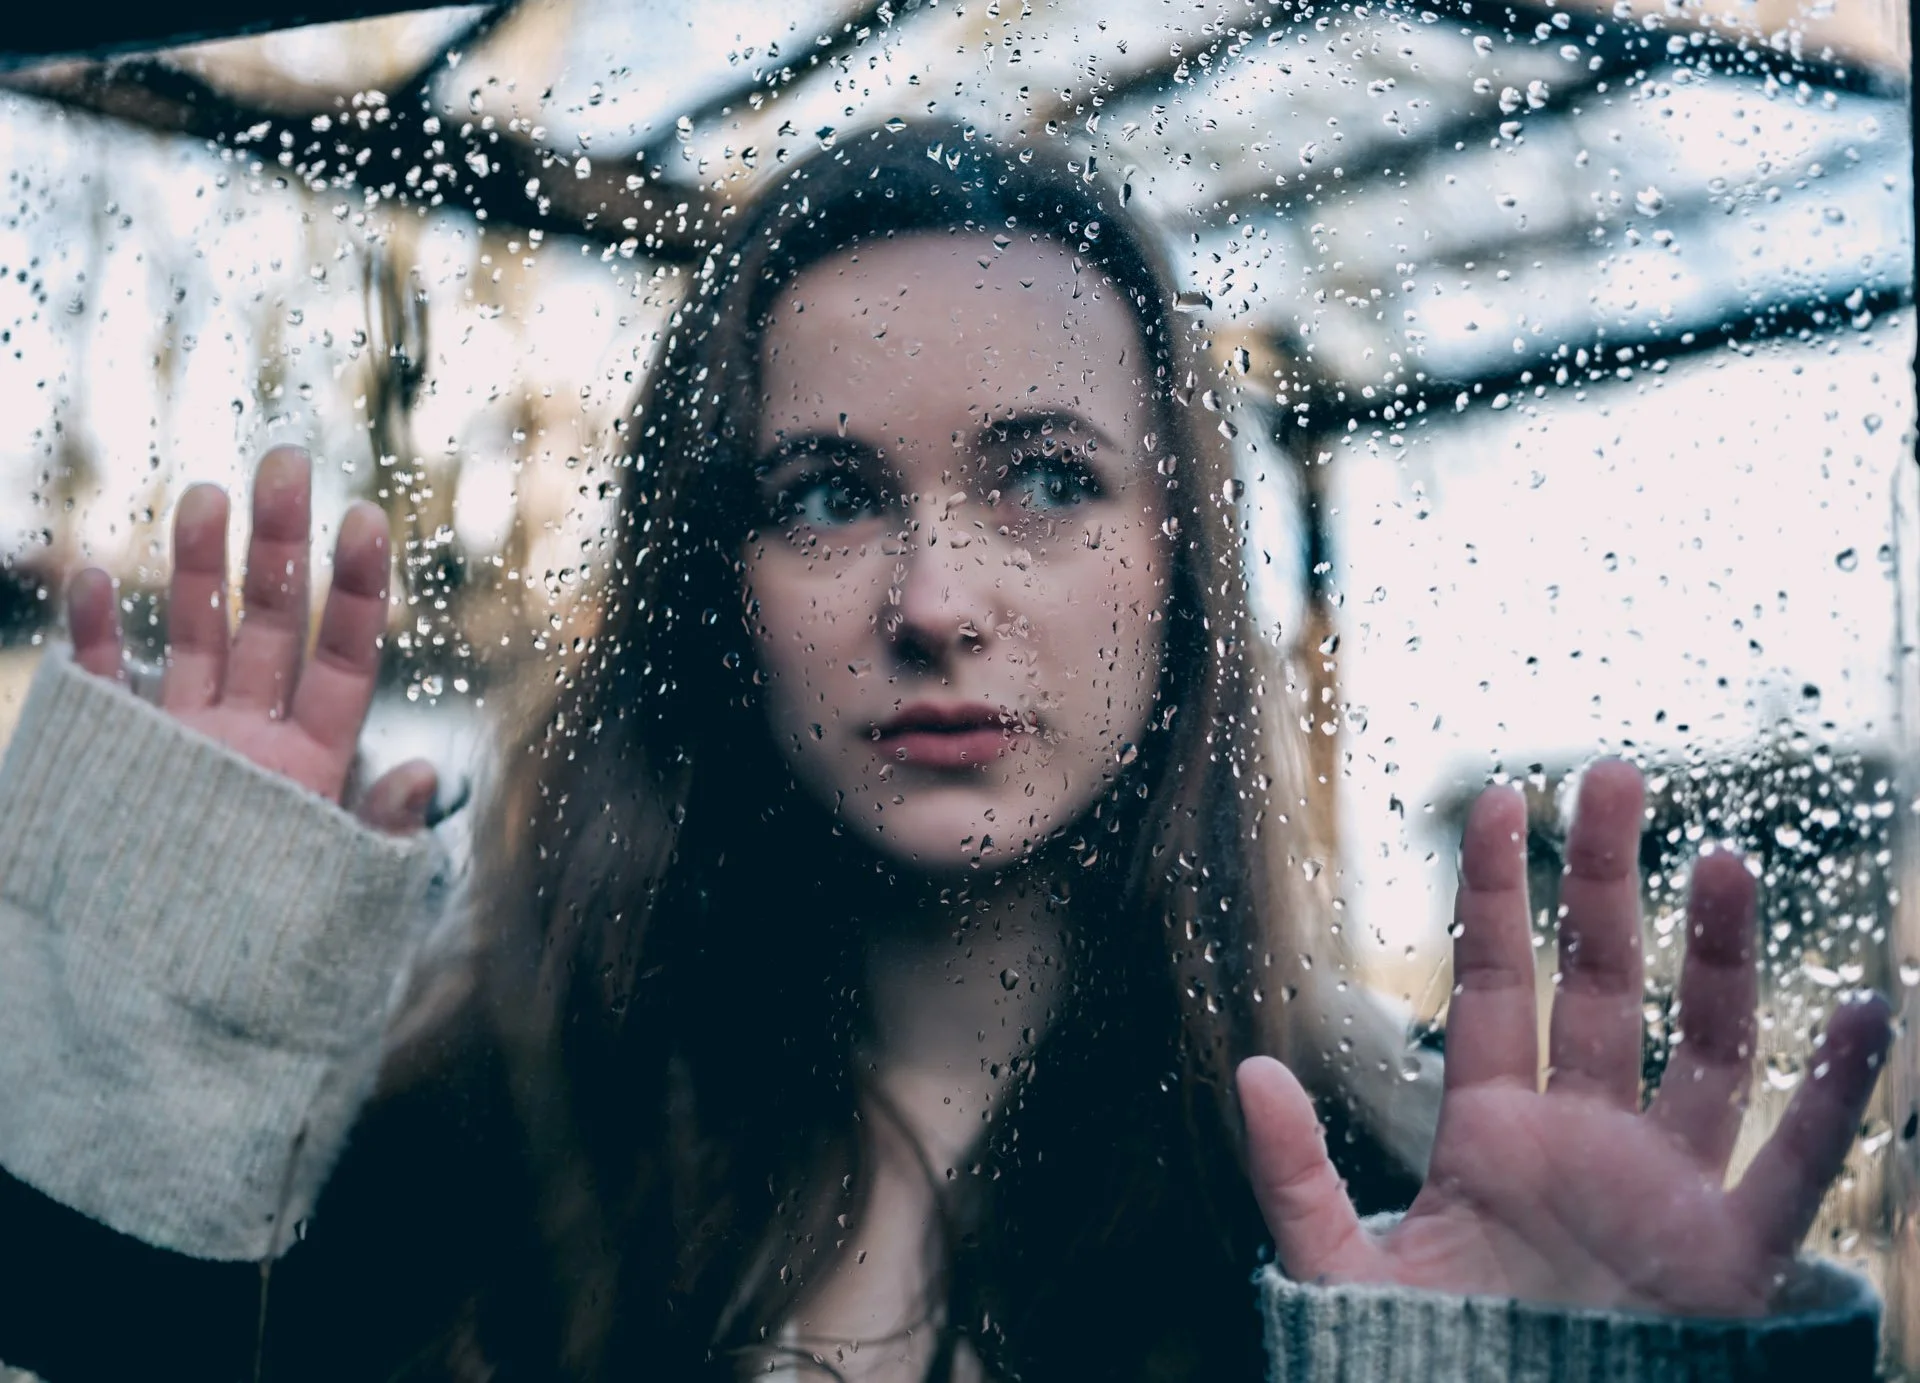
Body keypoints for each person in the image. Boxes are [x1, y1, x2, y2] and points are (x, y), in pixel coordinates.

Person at [0, 126, 1890, 1382]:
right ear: (710, 591)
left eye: (1049, 478)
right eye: (825, 493)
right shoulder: (469, 1141)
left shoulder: (1392, 1221)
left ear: (1179, 572)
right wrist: (136, 1109)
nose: (936, 596)